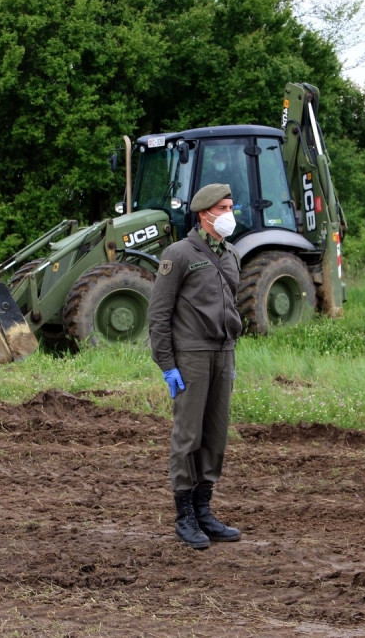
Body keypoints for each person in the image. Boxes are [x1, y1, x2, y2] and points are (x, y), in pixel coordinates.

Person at [147, 182, 244, 549]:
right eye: (223, 208)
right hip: (191, 356)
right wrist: (167, 364)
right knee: (188, 435)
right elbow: (158, 314)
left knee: (216, 435)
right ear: (205, 214)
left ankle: (204, 510)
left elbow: (230, 304)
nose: (229, 214)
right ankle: (184, 515)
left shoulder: (232, 253)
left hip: (223, 354)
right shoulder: (180, 253)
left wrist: (231, 349)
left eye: (231, 206)